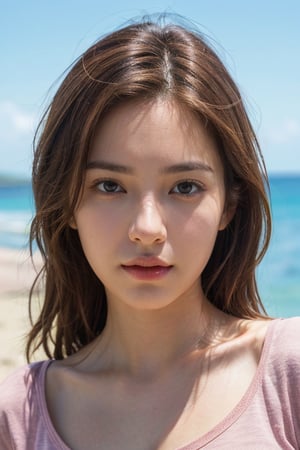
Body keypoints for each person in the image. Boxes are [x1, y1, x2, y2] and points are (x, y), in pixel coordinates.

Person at [0, 15, 299, 450]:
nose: (147, 229)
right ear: (65, 201)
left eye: (184, 187)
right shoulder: (20, 413)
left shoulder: (287, 374)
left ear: (229, 204)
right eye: (109, 186)